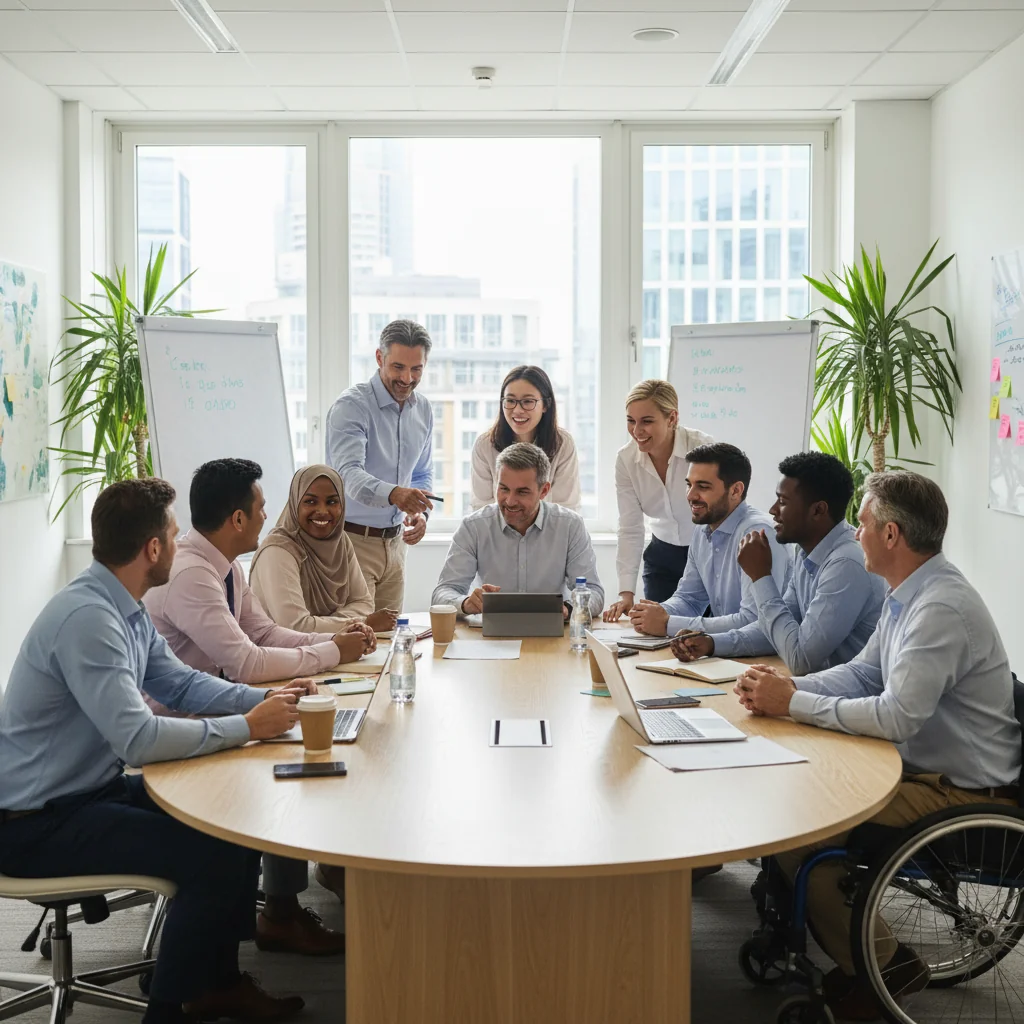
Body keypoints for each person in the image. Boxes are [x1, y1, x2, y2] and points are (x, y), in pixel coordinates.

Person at [0, 478, 312, 1024]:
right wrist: (246, 726)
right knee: (208, 854)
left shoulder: (123, 605)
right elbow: (139, 739)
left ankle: (217, 980)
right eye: (174, 534)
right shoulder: (90, 622)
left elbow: (182, 685)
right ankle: (171, 1009)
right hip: (33, 823)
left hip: (84, 792)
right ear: (152, 550)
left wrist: (264, 700)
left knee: (231, 821)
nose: (180, 541)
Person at [736, 471, 1020, 1021]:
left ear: (891, 534)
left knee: (800, 837)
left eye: (862, 521)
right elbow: (863, 675)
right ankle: (851, 947)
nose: (855, 530)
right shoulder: (908, 593)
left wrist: (791, 703)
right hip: (922, 768)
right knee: (795, 793)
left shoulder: (940, 608)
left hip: (960, 793)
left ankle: (886, 965)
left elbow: (895, 716)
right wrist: (788, 689)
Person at [145, 458, 374, 957]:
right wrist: (333, 653)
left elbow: (264, 632)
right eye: (261, 507)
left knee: (301, 739)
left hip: (215, 704)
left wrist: (336, 641)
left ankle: (291, 897)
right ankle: (280, 913)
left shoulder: (225, 566)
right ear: (237, 520)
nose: (269, 516)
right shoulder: (191, 575)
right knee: (287, 760)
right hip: (179, 724)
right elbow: (247, 662)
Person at [671, 452, 886, 674]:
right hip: (822, 688)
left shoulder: (846, 564)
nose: (773, 510)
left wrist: (761, 576)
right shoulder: (807, 553)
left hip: (849, 696)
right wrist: (712, 643)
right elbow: (776, 630)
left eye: (782, 502)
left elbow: (801, 659)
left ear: (818, 510)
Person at [327, 318, 434, 612]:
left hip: (396, 545)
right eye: (398, 367)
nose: (407, 378)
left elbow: (422, 472)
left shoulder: (422, 409)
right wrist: (396, 494)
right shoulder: (352, 406)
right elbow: (348, 475)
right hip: (352, 543)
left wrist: (419, 510)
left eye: (416, 369)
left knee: (390, 642)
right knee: (354, 642)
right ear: (379, 358)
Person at [629, 442, 789, 637]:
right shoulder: (702, 529)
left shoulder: (759, 534)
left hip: (765, 656)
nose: (690, 495)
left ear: (736, 491)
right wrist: (653, 614)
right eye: (689, 484)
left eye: (703, 487)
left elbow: (754, 621)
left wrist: (667, 623)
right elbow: (689, 599)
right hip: (725, 650)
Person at [432, 442, 604, 619]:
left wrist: (569, 609)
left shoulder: (570, 526)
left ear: (543, 490)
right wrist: (466, 603)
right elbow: (443, 593)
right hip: (490, 637)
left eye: (522, 492)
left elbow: (594, 592)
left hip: (553, 632)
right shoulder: (474, 527)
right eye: (504, 489)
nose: (510, 501)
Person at [604, 380, 713, 622]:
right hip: (662, 559)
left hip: (707, 556)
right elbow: (630, 527)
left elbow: (724, 516)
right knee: (658, 635)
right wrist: (626, 592)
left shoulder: (704, 449)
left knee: (707, 636)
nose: (636, 430)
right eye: (631, 421)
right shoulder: (626, 460)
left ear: (672, 418)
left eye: (647, 421)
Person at [250, 464, 397, 635]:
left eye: (332, 502)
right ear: (295, 503)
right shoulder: (278, 550)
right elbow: (294, 627)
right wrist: (360, 623)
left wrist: (327, 623)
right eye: (310, 501)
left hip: (327, 650)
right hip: (280, 654)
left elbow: (363, 602)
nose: (322, 511)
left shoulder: (340, 541)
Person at [471, 365, 581, 513]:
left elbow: (566, 509)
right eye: (510, 401)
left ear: (546, 405)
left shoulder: (563, 444)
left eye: (528, 402)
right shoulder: (485, 445)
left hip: (550, 533)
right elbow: (481, 509)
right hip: (498, 535)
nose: (517, 410)